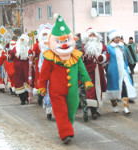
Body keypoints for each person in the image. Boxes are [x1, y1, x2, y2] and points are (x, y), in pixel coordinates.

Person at [38, 14, 93, 144]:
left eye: (66, 41)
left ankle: (66, 127)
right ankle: (65, 133)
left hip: (72, 90)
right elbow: (44, 74)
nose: (63, 45)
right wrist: (42, 86)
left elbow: (82, 70)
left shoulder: (75, 55)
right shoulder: (50, 56)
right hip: (56, 91)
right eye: (60, 42)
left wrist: (87, 81)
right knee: (61, 112)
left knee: (72, 108)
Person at [106, 30, 137, 114]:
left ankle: (125, 107)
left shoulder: (122, 46)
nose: (118, 39)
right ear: (112, 38)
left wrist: (127, 67)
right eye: (116, 37)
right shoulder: (108, 47)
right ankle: (115, 106)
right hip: (113, 71)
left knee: (125, 86)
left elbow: (125, 58)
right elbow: (105, 57)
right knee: (113, 89)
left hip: (123, 70)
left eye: (119, 37)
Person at [82, 28, 109, 120]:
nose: (92, 36)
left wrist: (103, 57)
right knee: (90, 90)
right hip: (88, 71)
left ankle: (95, 109)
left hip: (99, 71)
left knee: (98, 89)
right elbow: (80, 59)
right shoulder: (83, 47)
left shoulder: (101, 46)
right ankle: (93, 111)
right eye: (90, 35)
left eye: (94, 35)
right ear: (87, 36)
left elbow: (106, 54)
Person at [7, 34, 34, 105]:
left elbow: (33, 56)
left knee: (28, 81)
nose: (22, 41)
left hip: (27, 67)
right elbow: (11, 55)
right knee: (19, 82)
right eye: (21, 40)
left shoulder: (29, 48)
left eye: (23, 40)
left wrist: (32, 55)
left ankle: (27, 96)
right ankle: (22, 99)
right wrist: (8, 56)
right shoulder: (16, 48)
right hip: (18, 68)